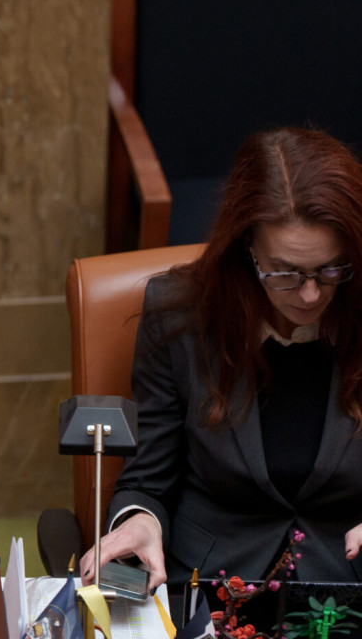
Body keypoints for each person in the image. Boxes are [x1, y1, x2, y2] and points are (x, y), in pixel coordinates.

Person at [82, 127, 362, 591]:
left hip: (346, 587)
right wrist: (140, 521)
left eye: (331, 268)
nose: (311, 294)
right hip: (210, 584)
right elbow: (148, 480)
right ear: (246, 246)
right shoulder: (181, 314)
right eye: (286, 273)